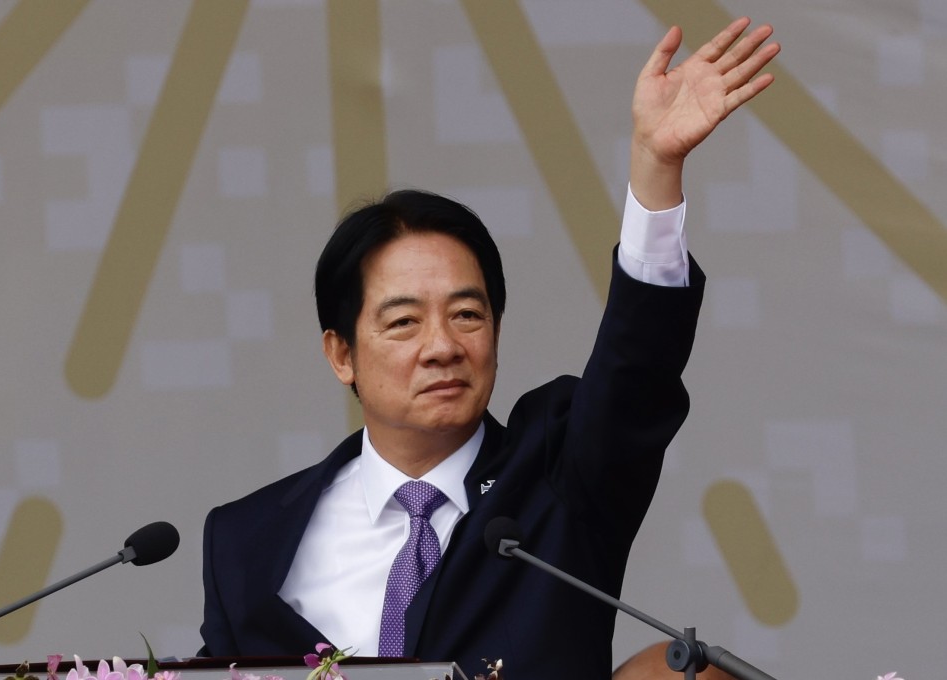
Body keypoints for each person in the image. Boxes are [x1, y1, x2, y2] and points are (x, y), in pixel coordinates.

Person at [199, 17, 779, 679]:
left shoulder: (560, 479)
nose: (442, 346)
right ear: (341, 354)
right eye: (403, 323)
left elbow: (635, 367)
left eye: (467, 314)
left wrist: (655, 167)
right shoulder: (246, 540)